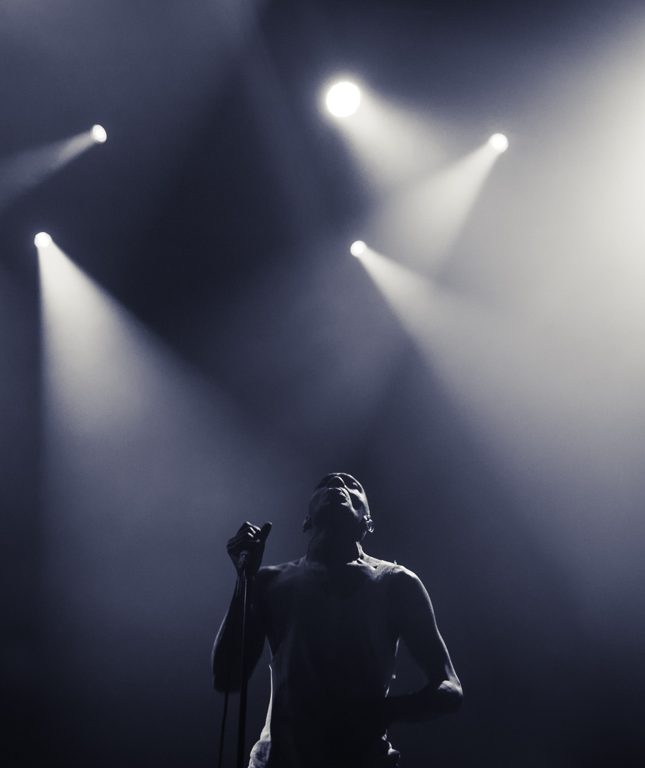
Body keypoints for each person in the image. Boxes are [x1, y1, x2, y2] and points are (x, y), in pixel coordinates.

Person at [212, 472, 462, 768]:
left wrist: (382, 711)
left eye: (352, 485)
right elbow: (227, 678)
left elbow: (449, 687)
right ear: (306, 520)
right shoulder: (269, 581)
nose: (339, 486)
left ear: (367, 522)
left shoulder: (396, 583)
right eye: (326, 484)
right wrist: (244, 580)